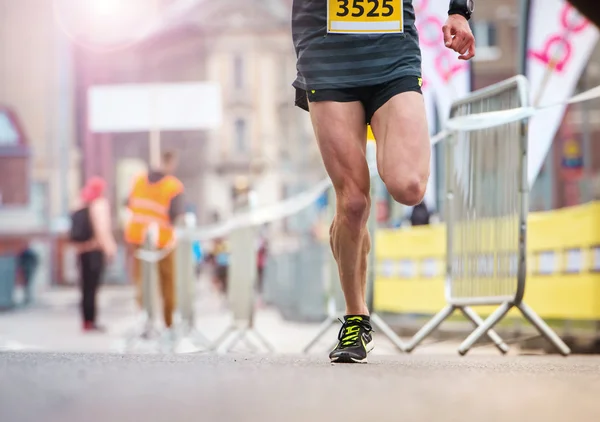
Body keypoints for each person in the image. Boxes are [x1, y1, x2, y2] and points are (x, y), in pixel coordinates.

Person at [291, 0, 475, 363]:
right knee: (354, 202)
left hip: (391, 49)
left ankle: (346, 231)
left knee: (409, 187)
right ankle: (356, 317)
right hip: (326, 49)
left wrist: (458, 11)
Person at [125, 151, 185, 331]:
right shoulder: (173, 186)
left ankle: (145, 320)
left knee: (142, 281)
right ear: (171, 163)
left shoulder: (138, 180)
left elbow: (128, 203)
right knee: (167, 282)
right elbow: (176, 214)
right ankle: (168, 323)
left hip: (138, 238)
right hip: (162, 240)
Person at [70, 177, 117, 332]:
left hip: (82, 251)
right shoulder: (99, 204)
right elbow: (102, 230)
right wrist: (110, 249)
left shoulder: (79, 202)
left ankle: (86, 321)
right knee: (93, 288)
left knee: (85, 288)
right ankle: (92, 320)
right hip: (95, 250)